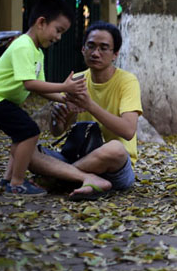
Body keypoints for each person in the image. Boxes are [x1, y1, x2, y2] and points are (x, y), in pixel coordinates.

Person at [0, 0, 85, 196]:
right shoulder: (23, 45)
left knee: (22, 134)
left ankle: (8, 179)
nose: (59, 37)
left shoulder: (37, 53)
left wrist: (66, 100)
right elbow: (29, 83)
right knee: (30, 131)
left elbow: (39, 88)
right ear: (41, 22)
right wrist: (65, 86)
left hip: (1, 101)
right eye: (58, 30)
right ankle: (17, 182)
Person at [28, 21, 143, 201]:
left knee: (115, 149)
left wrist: (90, 105)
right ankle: (82, 179)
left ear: (115, 54)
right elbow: (58, 132)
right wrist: (58, 119)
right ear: (83, 49)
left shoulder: (127, 81)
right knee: (25, 151)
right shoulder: (77, 80)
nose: (95, 53)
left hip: (114, 169)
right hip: (78, 156)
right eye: (91, 46)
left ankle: (58, 177)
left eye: (104, 48)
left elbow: (128, 131)